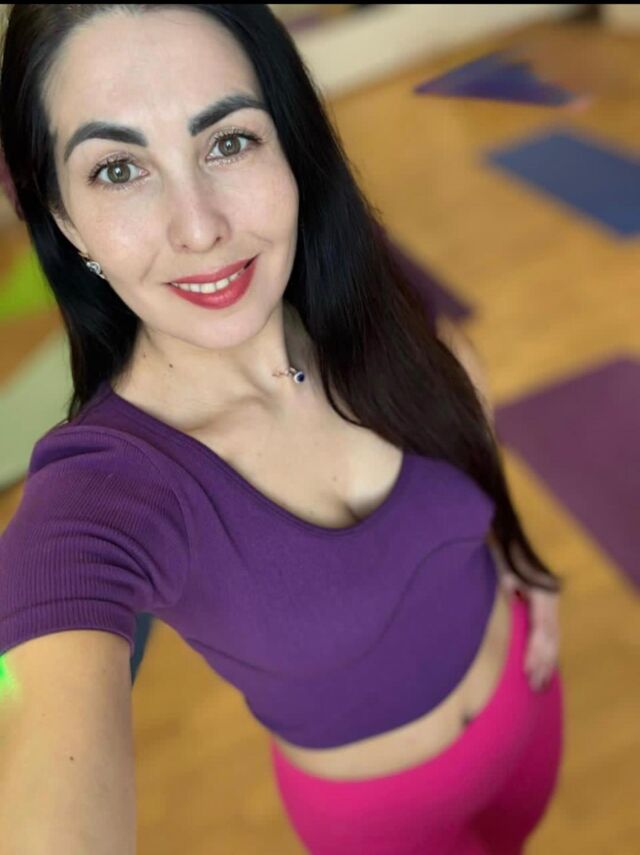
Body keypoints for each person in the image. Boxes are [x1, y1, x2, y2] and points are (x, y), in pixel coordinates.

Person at [0, 5, 564, 853]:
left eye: (229, 141)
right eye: (118, 168)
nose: (200, 227)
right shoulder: (95, 499)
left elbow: (466, 409)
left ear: (288, 146)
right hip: (381, 824)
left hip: (531, 700)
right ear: (66, 217)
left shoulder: (367, 287)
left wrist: (515, 550)